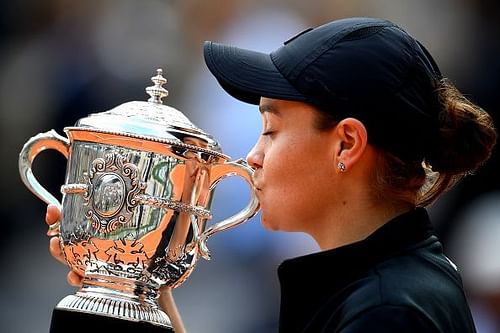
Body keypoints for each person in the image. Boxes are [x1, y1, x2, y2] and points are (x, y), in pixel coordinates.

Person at [47, 17, 497, 332]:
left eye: (271, 130)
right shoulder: (385, 287)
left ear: (347, 143)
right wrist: (140, 284)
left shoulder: (388, 310)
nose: (253, 157)